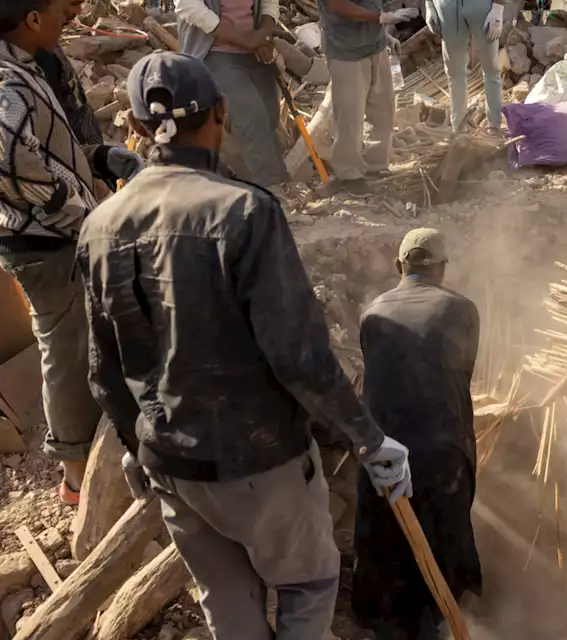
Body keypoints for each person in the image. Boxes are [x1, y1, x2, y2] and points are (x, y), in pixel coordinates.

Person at [77, 51, 412, 640]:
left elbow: (104, 370)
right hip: (262, 462)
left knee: (227, 605)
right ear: (223, 114)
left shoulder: (100, 226)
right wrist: (369, 440)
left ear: (132, 129)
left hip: (175, 466)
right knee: (307, 588)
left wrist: (137, 445)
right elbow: (298, 356)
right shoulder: (244, 213)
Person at [0, 0, 143, 505]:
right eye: (58, 12)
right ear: (32, 19)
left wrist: (100, 158)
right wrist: (82, 207)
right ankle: (76, 475)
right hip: (41, 239)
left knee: (86, 336)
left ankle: (98, 445)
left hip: (62, 228)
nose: (69, 18)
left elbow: (56, 148)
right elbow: (20, 172)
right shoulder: (7, 87)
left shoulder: (34, 64)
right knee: (64, 348)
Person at [353, 228, 483, 640]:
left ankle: (387, 623)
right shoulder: (462, 309)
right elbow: (461, 374)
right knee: (445, 535)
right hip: (443, 452)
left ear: (398, 267)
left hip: (381, 452)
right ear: (443, 270)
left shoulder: (372, 311)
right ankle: (440, 620)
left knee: (384, 539)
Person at [176, 0, 289, 193]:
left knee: (270, 116)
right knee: (252, 117)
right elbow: (189, 7)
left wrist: (263, 35)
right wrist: (247, 39)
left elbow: (269, 4)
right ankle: (269, 189)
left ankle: (255, 181)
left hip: (254, 51)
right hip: (214, 53)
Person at [317, 0, 416, 195]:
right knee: (350, 115)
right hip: (346, 50)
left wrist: (385, 35)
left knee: (383, 108)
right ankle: (348, 174)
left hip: (374, 45)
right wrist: (381, 18)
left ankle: (376, 165)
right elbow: (337, 5)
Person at [422, 0, 503, 134]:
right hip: (448, 7)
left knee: (491, 68)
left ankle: (494, 126)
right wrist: (429, 5)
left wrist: (498, 7)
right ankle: (459, 129)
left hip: (481, 7)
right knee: (454, 73)